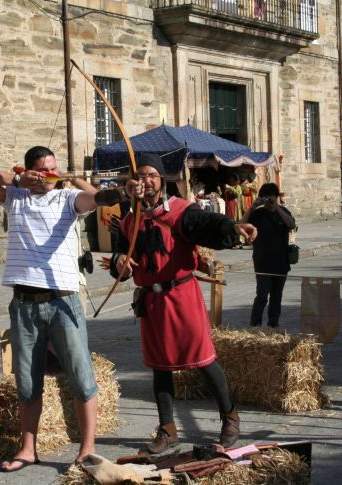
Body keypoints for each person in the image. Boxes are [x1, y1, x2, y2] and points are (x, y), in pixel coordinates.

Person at [0, 146, 121, 472]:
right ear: (32, 171)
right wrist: (19, 178)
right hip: (24, 304)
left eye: (54, 170)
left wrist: (75, 178)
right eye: (44, 170)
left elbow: (101, 199)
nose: (50, 176)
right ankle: (27, 448)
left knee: (81, 376)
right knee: (27, 381)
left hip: (62, 301)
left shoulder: (66, 199)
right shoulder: (17, 197)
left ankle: (87, 448)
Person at [111, 153, 257, 453]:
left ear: (162, 179)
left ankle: (230, 416)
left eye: (152, 174)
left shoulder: (179, 211)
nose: (146, 180)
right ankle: (167, 430)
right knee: (159, 366)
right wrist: (120, 262)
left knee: (202, 360)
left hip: (181, 295)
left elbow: (206, 222)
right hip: (151, 300)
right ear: (133, 182)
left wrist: (232, 228)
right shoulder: (129, 219)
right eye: (140, 175)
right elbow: (120, 258)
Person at [241, 183, 296, 328]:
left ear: (277, 197)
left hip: (281, 262)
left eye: (272, 197)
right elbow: (240, 225)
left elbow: (291, 225)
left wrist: (276, 207)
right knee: (262, 296)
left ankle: (273, 325)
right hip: (262, 262)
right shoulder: (257, 214)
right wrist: (252, 207)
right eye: (266, 198)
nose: (269, 202)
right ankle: (255, 325)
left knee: (276, 297)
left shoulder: (283, 212)